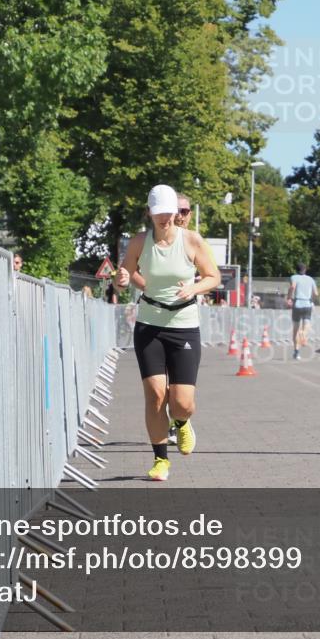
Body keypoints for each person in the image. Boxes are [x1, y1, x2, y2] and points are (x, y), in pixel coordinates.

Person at [117, 185, 220, 482]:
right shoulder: (139, 242)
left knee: (182, 401)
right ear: (149, 212)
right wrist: (127, 279)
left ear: (176, 212)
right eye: (159, 212)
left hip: (184, 325)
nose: (165, 218)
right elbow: (124, 276)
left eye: (169, 212)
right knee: (155, 394)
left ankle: (182, 421)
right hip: (149, 324)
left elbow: (213, 277)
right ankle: (160, 459)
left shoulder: (191, 241)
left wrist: (194, 287)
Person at [287, 263, 318, 360]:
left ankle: (296, 352)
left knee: (296, 329)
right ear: (305, 270)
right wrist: (311, 300)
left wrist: (289, 297)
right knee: (306, 324)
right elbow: (316, 293)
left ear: (297, 269)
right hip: (307, 304)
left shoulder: (294, 277)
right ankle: (303, 334)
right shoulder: (311, 279)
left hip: (297, 304)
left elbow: (292, 287)